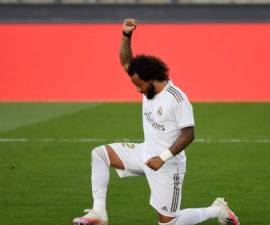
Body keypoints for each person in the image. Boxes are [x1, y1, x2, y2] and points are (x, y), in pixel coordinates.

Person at [72, 18, 239, 225]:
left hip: (168, 166)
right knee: (100, 154)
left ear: (151, 79)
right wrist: (126, 35)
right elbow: (126, 62)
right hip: (144, 153)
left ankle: (217, 210)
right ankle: (99, 213)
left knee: (168, 223)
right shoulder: (148, 89)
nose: (137, 90)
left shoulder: (177, 99)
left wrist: (163, 157)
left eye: (139, 85)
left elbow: (189, 134)